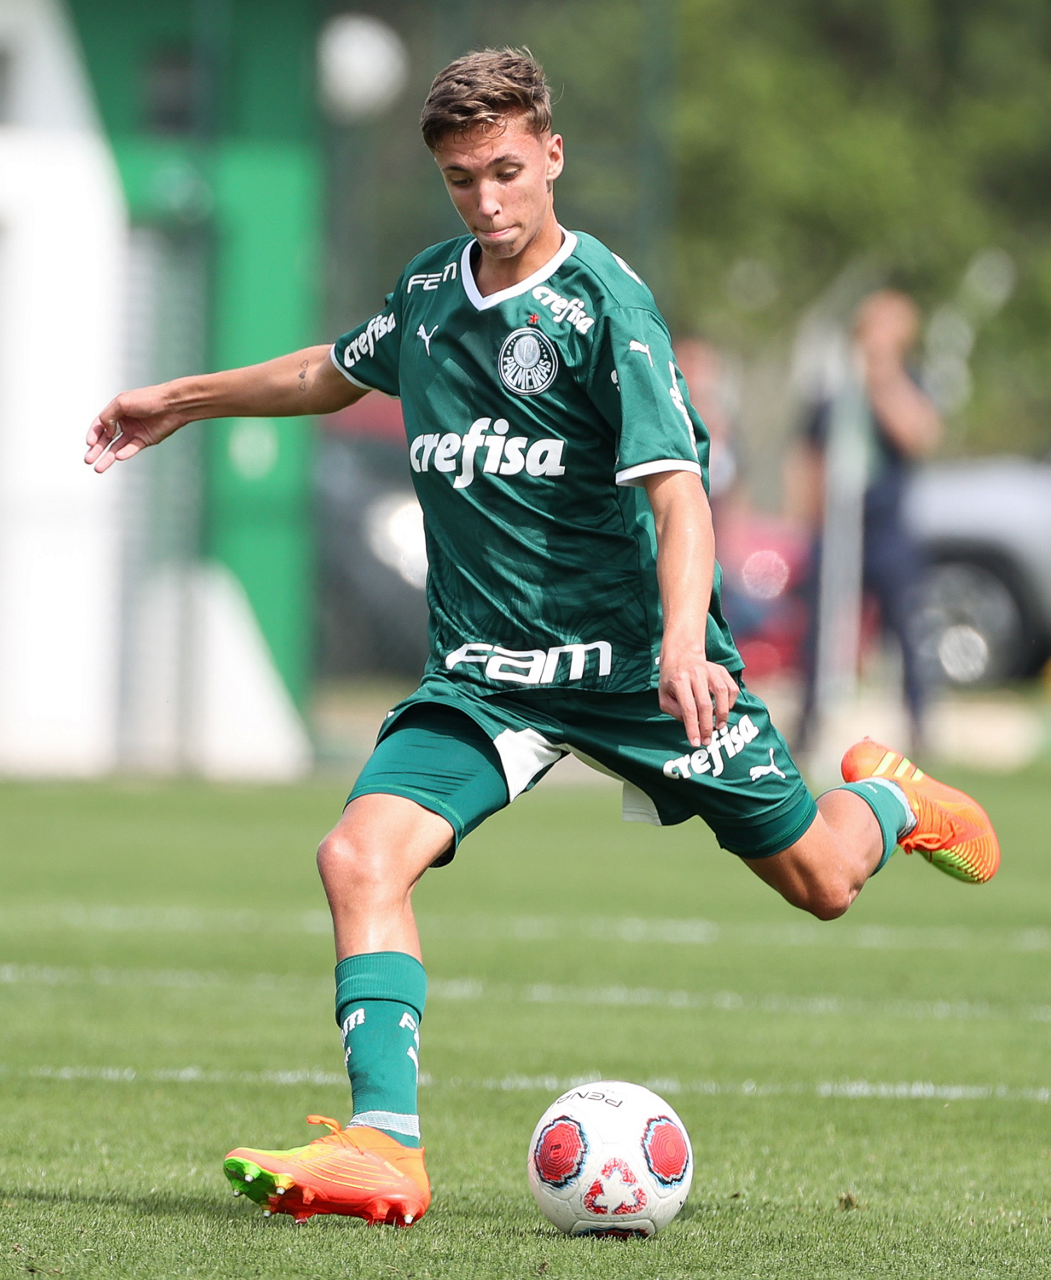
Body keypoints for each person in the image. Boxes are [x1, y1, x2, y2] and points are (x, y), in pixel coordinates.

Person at [85, 50, 998, 1229]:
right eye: (462, 179)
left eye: (508, 171)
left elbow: (679, 492)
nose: (488, 200)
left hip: (634, 670)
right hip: (487, 676)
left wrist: (684, 639)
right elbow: (329, 370)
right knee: (357, 856)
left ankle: (886, 796)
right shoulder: (428, 292)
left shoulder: (604, 305)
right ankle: (384, 1143)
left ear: (552, 155)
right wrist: (177, 398)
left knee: (823, 880)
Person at [792, 290, 943, 751]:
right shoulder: (833, 384)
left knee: (906, 625)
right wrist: (806, 515)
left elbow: (918, 434)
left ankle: (919, 722)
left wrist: (883, 378)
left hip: (886, 526)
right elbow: (808, 453)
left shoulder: (908, 381)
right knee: (817, 627)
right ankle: (808, 723)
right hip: (836, 526)